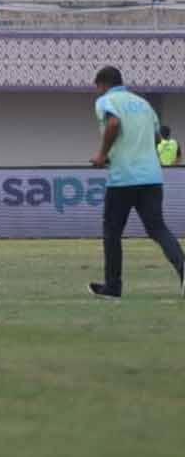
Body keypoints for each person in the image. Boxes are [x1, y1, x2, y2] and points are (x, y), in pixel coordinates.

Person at [87, 66, 185, 299]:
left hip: (123, 178)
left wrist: (102, 155)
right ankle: (183, 269)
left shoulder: (106, 101)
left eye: (97, 88)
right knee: (158, 229)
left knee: (112, 232)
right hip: (151, 177)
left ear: (102, 84)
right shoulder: (143, 104)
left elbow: (113, 124)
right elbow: (156, 138)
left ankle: (113, 287)